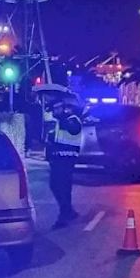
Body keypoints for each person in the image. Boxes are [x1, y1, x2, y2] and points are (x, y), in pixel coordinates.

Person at [47, 98, 84, 228]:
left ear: (64, 109)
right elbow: (56, 141)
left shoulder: (73, 120)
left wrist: (63, 117)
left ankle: (64, 214)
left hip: (66, 160)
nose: (54, 111)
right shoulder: (59, 122)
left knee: (60, 186)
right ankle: (68, 211)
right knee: (59, 187)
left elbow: (73, 129)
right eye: (54, 109)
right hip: (58, 159)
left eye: (57, 109)